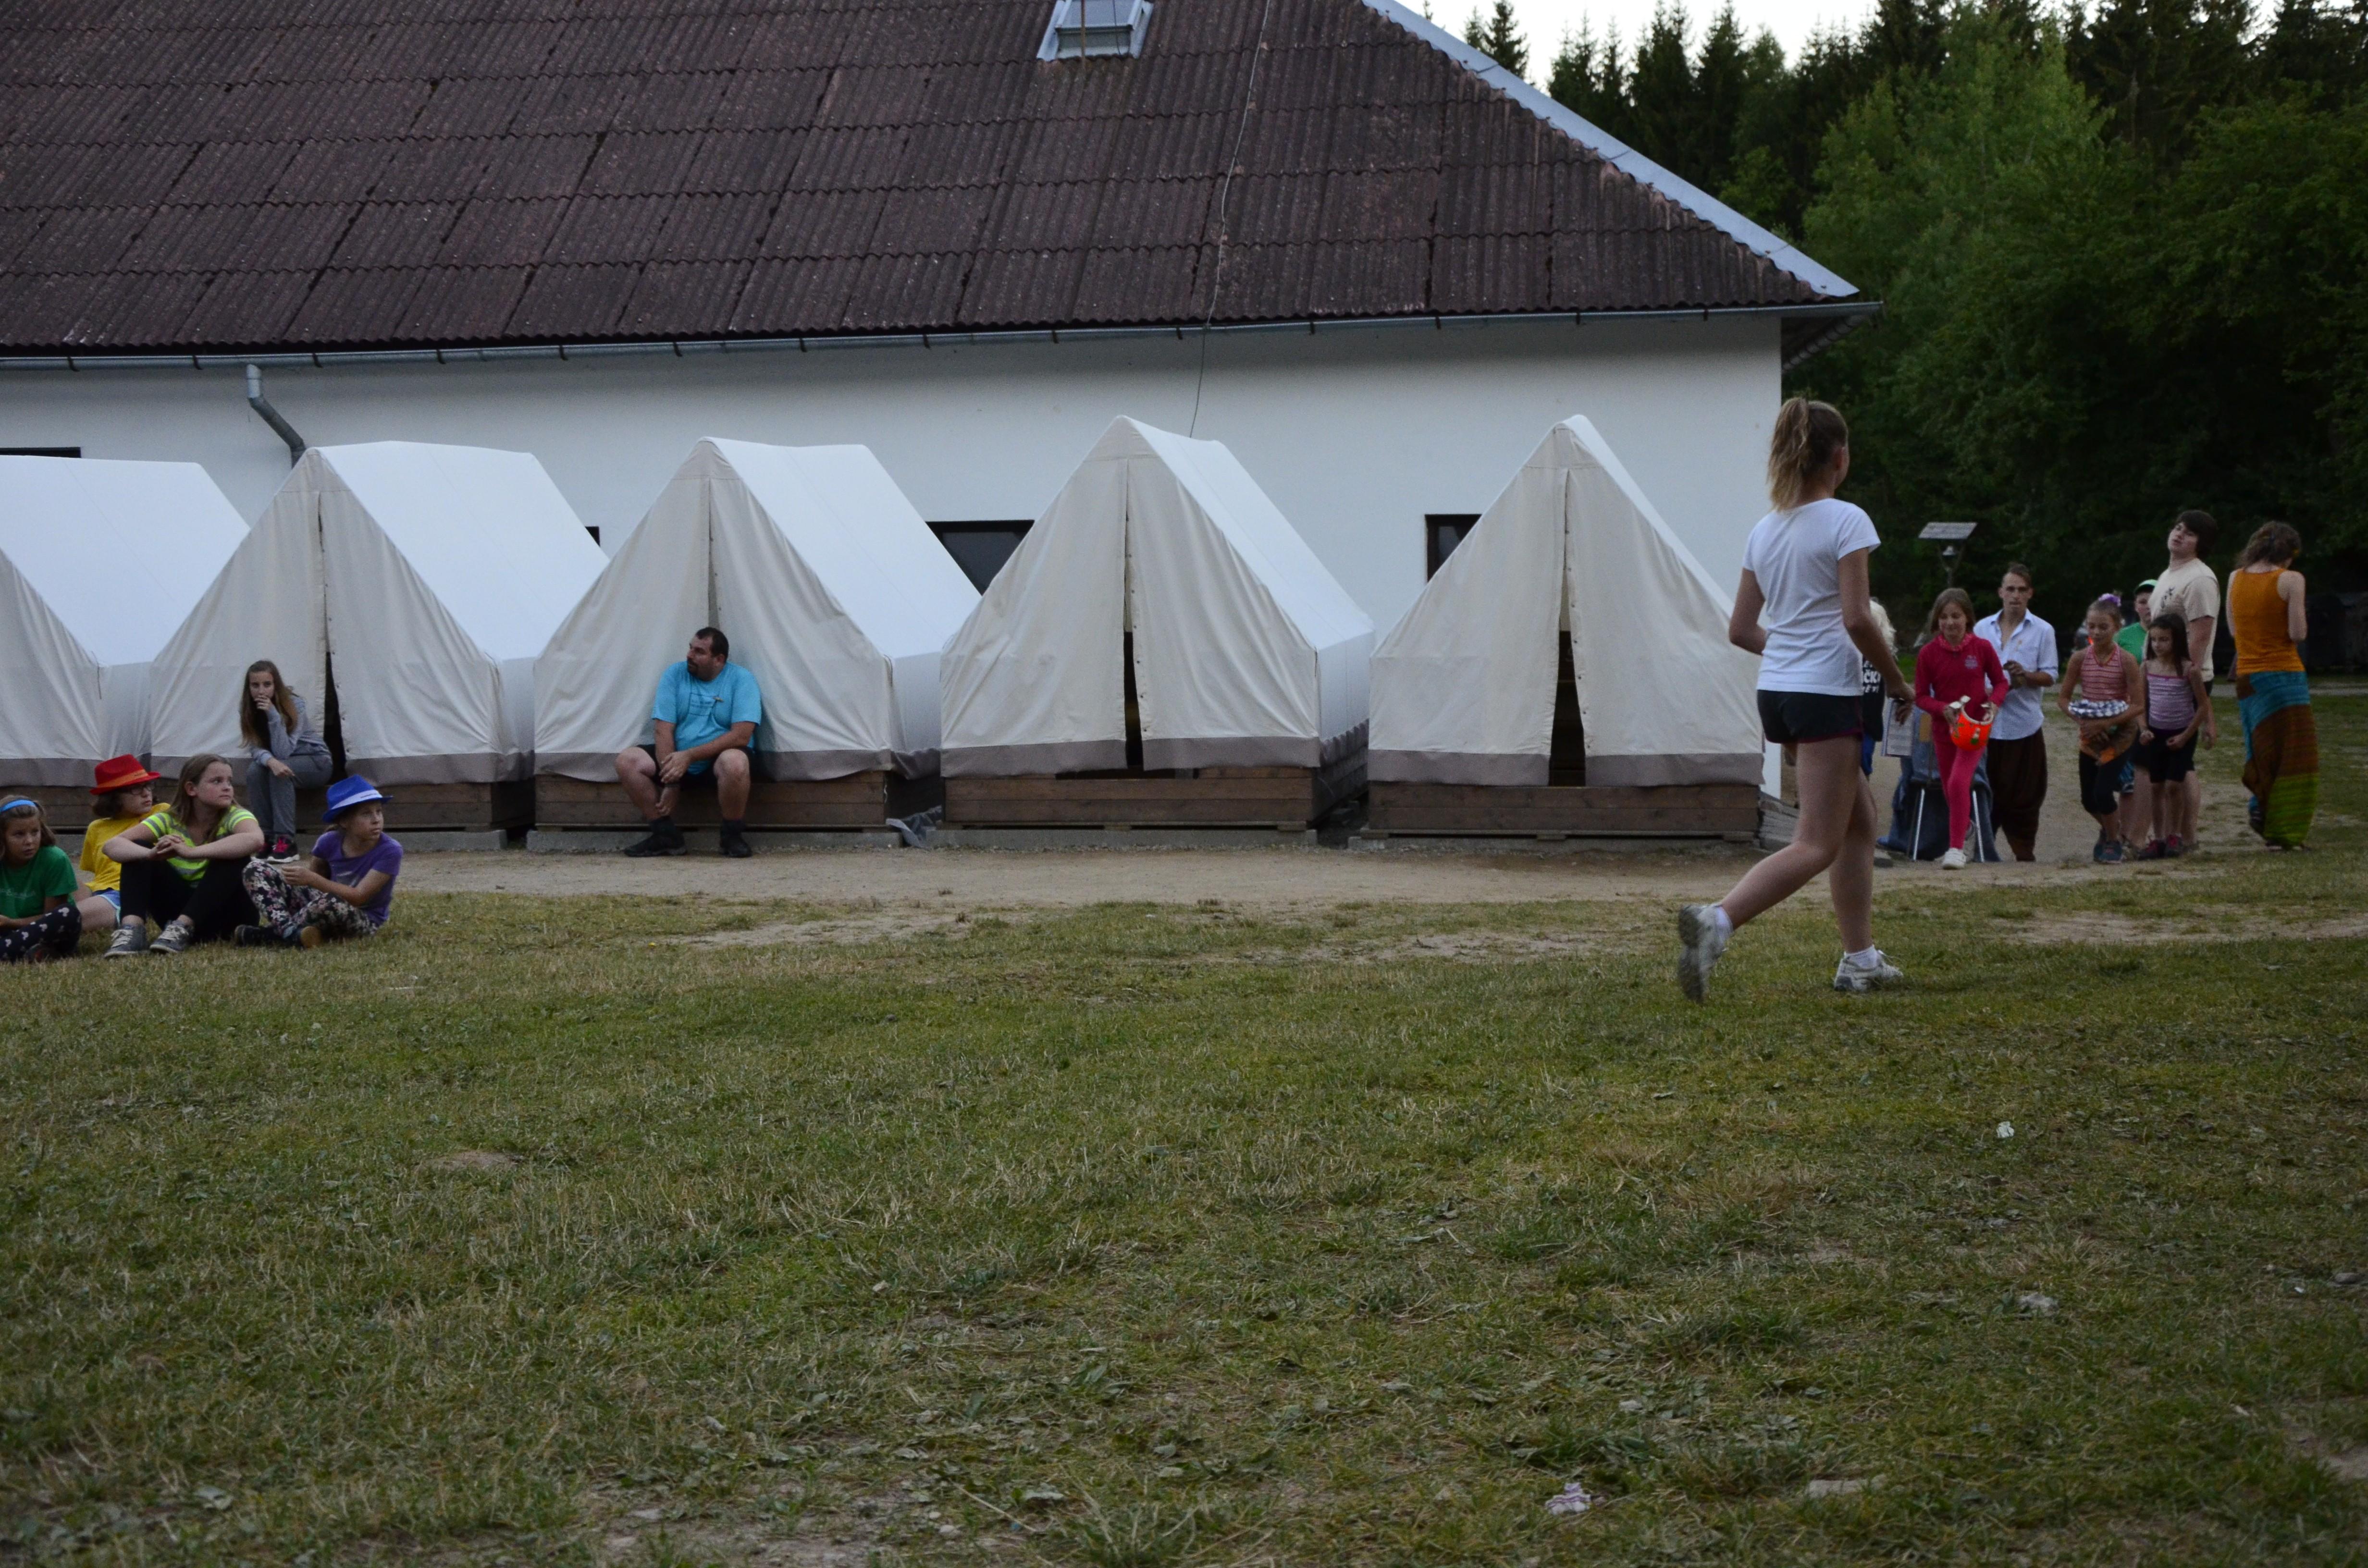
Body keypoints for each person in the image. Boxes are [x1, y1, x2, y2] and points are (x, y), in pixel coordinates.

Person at [1677, 398, 1913, 1001]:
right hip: (1823, 696)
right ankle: (1717, 922)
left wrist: (1791, 652)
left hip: (1777, 695)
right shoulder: (1846, 520)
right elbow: (1858, 619)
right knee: (1815, 842)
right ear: (1839, 458)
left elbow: (1740, 629)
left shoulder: (1765, 529)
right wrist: (1895, 681)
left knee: (1859, 822)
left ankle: (1859, 960)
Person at [616, 626, 762, 859]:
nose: (690, 655)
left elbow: (741, 736)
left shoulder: (742, 680)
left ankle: (731, 836)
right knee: (628, 761)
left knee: (735, 761)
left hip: (716, 762)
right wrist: (672, 782)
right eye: (690, 648)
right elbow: (663, 730)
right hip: (678, 759)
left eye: (699, 652)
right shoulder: (674, 675)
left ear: (719, 659)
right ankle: (665, 835)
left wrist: (690, 756)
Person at [101, 753, 265, 955]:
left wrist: (192, 852)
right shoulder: (169, 819)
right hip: (177, 914)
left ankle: (183, 926)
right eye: (217, 781)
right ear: (191, 789)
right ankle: (132, 930)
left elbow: (255, 839)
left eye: (229, 781)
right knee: (137, 850)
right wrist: (151, 854)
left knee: (235, 854)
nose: (227, 788)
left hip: (231, 919)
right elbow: (112, 845)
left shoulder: (236, 815)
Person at [2227, 521, 2316, 849]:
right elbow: (2297, 633)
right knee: (2294, 753)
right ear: (2290, 554)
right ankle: (2285, 830)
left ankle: (2260, 806)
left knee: (2260, 747)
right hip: (2284, 675)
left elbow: (2234, 631)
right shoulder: (2291, 580)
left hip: (2248, 677)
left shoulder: (2235, 578)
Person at [238, 776, 403, 946]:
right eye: (366, 814)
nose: (376, 819)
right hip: (321, 907)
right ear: (344, 821)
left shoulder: (390, 850)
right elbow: (311, 892)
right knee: (255, 868)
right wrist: (299, 881)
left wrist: (311, 879)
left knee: (331, 902)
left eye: (379, 812)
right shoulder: (329, 841)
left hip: (363, 920)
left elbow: (359, 897)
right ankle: (289, 931)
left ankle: (268, 935)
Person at [1913, 587, 2009, 870]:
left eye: (1956, 616)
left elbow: (2001, 682)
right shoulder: (1928, 654)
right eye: (1944, 617)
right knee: (1950, 790)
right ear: (1937, 621)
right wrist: (1942, 708)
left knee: (1958, 783)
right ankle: (1965, 828)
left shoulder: (1981, 648)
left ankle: (1955, 849)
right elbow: (1921, 696)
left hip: (1974, 730)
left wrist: (1994, 704)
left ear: (1967, 618)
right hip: (1944, 731)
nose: (1950, 623)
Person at [1972, 564, 2056, 861]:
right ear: (2001, 592)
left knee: (2026, 794)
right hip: (1987, 724)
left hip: (2024, 725)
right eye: (2010, 589)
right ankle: (1983, 849)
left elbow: (2050, 675)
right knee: (1985, 789)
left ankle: (2024, 854)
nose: (2016, 596)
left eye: (2022, 590)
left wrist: (2026, 676)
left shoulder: (2043, 630)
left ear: (2030, 594)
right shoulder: (1982, 629)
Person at [2153, 512, 2220, 850]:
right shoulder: (2168, 575)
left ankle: (2184, 837)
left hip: (2184, 681)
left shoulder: (2200, 579)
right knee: (2172, 763)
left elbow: (2200, 635)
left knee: (2179, 765)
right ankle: (2173, 836)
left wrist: (2181, 677)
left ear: (2201, 544)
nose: (2180, 535)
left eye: (2190, 533)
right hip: (2162, 678)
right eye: (2178, 528)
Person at [2056, 598, 2142, 864]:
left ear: (2116, 627)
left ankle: (2114, 842)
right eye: (2091, 626)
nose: (2096, 632)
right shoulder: (2080, 659)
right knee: (2088, 799)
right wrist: (2082, 722)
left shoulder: (2126, 660)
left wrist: (2108, 724)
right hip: (2090, 734)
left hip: (2120, 734)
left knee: (2103, 791)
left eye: (2103, 627)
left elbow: (2139, 705)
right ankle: (2110, 828)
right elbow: (2063, 699)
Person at [2134, 614, 2213, 858]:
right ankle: (2158, 838)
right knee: (2156, 786)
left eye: (2164, 640)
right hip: (2156, 734)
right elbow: (2140, 703)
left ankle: (2174, 835)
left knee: (2173, 786)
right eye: (2154, 640)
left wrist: (2187, 735)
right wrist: (2144, 729)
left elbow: (2203, 706)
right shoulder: (2147, 667)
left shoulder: (2190, 670)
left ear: (2176, 640)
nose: (2158, 645)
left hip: (2181, 734)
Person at [240, 660, 334, 861]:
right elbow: (255, 748)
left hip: (315, 761)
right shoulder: (248, 709)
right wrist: (270, 761)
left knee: (279, 772)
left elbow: (284, 752)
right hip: (281, 763)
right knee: (255, 771)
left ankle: (286, 841)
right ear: (249, 688)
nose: (261, 691)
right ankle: (266, 837)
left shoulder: (295, 705)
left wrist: (273, 716)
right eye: (255, 685)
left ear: (276, 685)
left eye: (267, 684)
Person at [75, 755, 162, 932]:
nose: (146, 793)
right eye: (136, 789)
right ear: (114, 797)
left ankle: (24, 931)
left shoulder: (161, 813)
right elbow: (97, 871)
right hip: (96, 890)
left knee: (69, 917)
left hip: (126, 893)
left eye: (148, 785)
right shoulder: (96, 827)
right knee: (61, 873)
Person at [0, 797, 84, 963]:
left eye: (35, 832)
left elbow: (49, 917)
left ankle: (9, 950)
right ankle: (32, 953)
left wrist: (11, 922)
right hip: (6, 932)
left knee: (68, 914)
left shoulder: (55, 859)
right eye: (19, 835)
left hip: (45, 932)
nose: (29, 842)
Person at [2115, 581, 2157, 848]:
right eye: (2143, 602)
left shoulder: (2173, 634)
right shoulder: (2125, 636)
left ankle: (2151, 832)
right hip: (2130, 715)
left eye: (2154, 601)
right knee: (2129, 779)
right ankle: (2124, 833)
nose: (2148, 607)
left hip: (2163, 712)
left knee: (2158, 777)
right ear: (2136, 607)